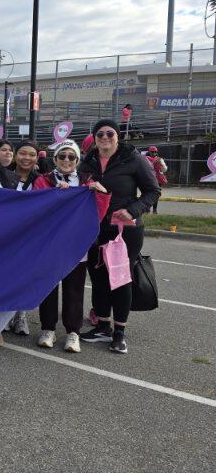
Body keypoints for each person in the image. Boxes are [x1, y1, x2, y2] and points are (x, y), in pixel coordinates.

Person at [78, 119, 161, 354]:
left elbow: (153, 191)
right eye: (100, 134)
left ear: (117, 136)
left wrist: (133, 210)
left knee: (121, 278)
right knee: (98, 277)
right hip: (95, 228)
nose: (105, 137)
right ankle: (102, 325)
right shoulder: (89, 160)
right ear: (94, 138)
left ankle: (119, 332)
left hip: (125, 229)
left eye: (109, 133)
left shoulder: (133, 158)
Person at [33, 140, 110, 353]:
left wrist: (101, 192)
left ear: (77, 160)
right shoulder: (44, 180)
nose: (66, 160)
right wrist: (58, 195)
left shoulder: (86, 182)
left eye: (71, 157)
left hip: (76, 245)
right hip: (49, 244)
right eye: (62, 156)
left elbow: (98, 214)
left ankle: (72, 332)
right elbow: (38, 208)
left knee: (74, 289)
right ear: (55, 159)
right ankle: (48, 329)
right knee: (48, 288)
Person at [3, 140, 41, 337]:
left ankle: (21, 315)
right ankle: (6, 315)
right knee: (7, 275)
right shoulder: (4, 177)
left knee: (25, 276)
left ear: (37, 157)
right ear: (16, 155)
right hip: (6, 235)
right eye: (23, 153)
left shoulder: (42, 180)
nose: (27, 158)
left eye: (31, 154)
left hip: (30, 235)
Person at [144, 146, 168, 213]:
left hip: (157, 179)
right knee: (148, 194)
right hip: (149, 179)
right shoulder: (145, 159)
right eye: (152, 152)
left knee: (156, 195)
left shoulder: (160, 159)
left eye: (155, 152)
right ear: (149, 152)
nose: (154, 153)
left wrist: (161, 165)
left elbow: (164, 169)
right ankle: (147, 209)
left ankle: (154, 210)